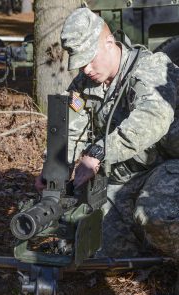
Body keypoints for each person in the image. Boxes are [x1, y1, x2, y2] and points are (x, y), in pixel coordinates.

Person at [36, 7, 179, 261]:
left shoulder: (149, 68)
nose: (87, 69)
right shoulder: (84, 83)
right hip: (126, 175)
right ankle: (151, 243)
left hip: (168, 166)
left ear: (110, 42)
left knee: (157, 217)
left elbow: (153, 118)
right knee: (97, 246)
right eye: (81, 63)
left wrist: (99, 151)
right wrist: (53, 170)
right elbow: (71, 127)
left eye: (91, 58)